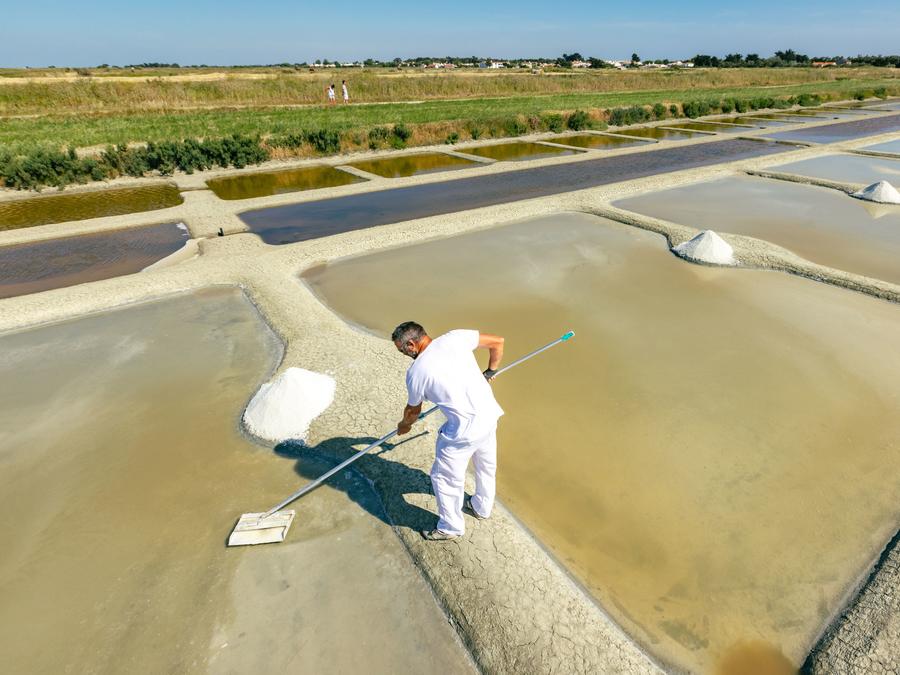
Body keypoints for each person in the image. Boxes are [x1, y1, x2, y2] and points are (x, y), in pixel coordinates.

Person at [394, 321, 505, 541]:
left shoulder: (416, 372)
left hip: (464, 430)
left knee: (443, 477)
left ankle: (451, 527)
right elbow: (497, 342)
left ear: (412, 345)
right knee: (486, 465)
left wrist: (404, 425)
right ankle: (481, 507)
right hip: (489, 414)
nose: (404, 354)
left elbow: (413, 410)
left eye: (402, 350)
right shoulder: (456, 337)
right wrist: (491, 371)